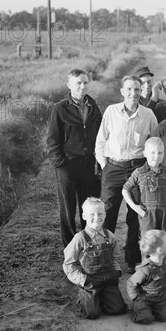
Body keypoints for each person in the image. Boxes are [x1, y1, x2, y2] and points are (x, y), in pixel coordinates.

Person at [95, 75, 158, 273]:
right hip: (113, 167)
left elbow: (154, 143)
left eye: (137, 90)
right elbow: (100, 141)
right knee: (107, 213)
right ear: (122, 91)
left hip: (138, 168)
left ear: (141, 92)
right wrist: (105, 165)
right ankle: (104, 258)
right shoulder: (111, 111)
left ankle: (131, 259)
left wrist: (148, 169)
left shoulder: (148, 115)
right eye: (129, 89)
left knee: (135, 215)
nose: (133, 93)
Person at [47, 69, 102, 247]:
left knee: (89, 208)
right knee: (68, 208)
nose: (82, 86)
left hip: (89, 165)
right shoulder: (60, 108)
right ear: (69, 85)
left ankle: (89, 244)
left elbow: (101, 137)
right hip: (68, 165)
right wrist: (61, 164)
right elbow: (53, 140)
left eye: (85, 82)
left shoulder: (94, 107)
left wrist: (99, 163)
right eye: (78, 83)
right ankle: (70, 248)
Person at [62, 197, 126, 319]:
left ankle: (102, 297)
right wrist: (82, 280)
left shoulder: (110, 236)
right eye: (92, 214)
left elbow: (116, 257)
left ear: (105, 215)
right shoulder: (79, 239)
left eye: (100, 214)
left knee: (118, 309)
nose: (97, 217)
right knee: (92, 314)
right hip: (90, 281)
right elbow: (68, 264)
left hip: (108, 279)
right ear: (84, 216)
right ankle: (87, 297)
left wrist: (116, 271)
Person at [122, 137, 166, 236]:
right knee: (149, 242)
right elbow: (125, 190)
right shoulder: (139, 172)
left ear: (164, 153)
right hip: (147, 214)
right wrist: (135, 207)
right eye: (152, 152)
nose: (156, 156)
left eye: (160, 153)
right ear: (145, 153)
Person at [126, 230, 166, 324]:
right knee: (145, 319)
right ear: (159, 250)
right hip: (145, 299)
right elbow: (131, 283)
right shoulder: (145, 270)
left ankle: (151, 310)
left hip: (160, 297)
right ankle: (137, 309)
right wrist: (136, 298)